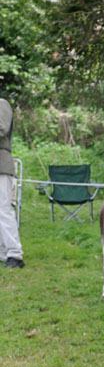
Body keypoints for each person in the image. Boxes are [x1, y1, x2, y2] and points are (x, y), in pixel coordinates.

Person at [0, 97, 23, 268]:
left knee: (4, 209)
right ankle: (3, 252)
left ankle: (15, 254)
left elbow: (1, 129)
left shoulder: (1, 104)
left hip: (1, 164)